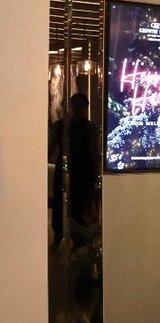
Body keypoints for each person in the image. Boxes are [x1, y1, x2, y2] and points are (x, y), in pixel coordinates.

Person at [49, 93, 100, 248]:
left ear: (85, 107)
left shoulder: (90, 128)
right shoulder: (61, 126)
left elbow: (94, 152)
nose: (77, 109)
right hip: (64, 169)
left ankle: (79, 241)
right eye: (75, 105)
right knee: (59, 205)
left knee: (79, 206)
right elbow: (52, 147)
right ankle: (58, 236)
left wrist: (96, 174)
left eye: (81, 105)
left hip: (83, 171)